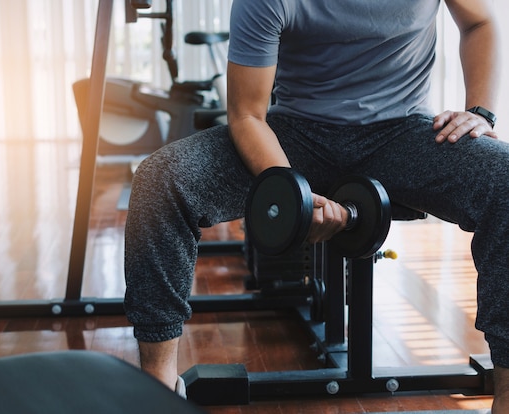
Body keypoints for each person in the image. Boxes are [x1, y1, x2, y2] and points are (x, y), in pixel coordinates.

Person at [123, 0, 508, 411]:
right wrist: (293, 197)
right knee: (160, 182)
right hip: (294, 133)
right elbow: (247, 115)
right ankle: (159, 387)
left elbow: (481, 21)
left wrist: (480, 112)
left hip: (402, 134)